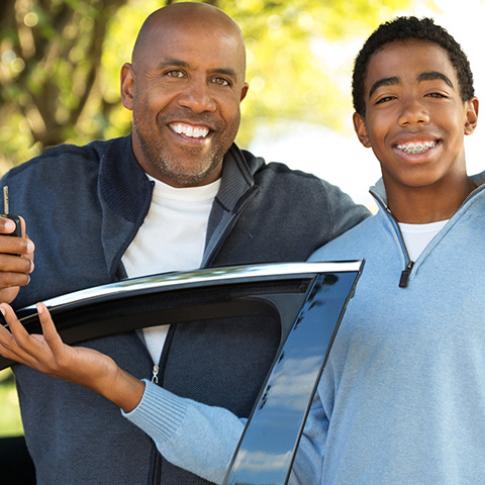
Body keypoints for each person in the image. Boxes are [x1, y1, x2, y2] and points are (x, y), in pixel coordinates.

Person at [3, 14, 479, 485]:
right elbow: (287, 458)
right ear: (129, 86)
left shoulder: (313, 218)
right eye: (175, 73)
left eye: (221, 80)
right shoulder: (38, 197)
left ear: (241, 96)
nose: (198, 99)